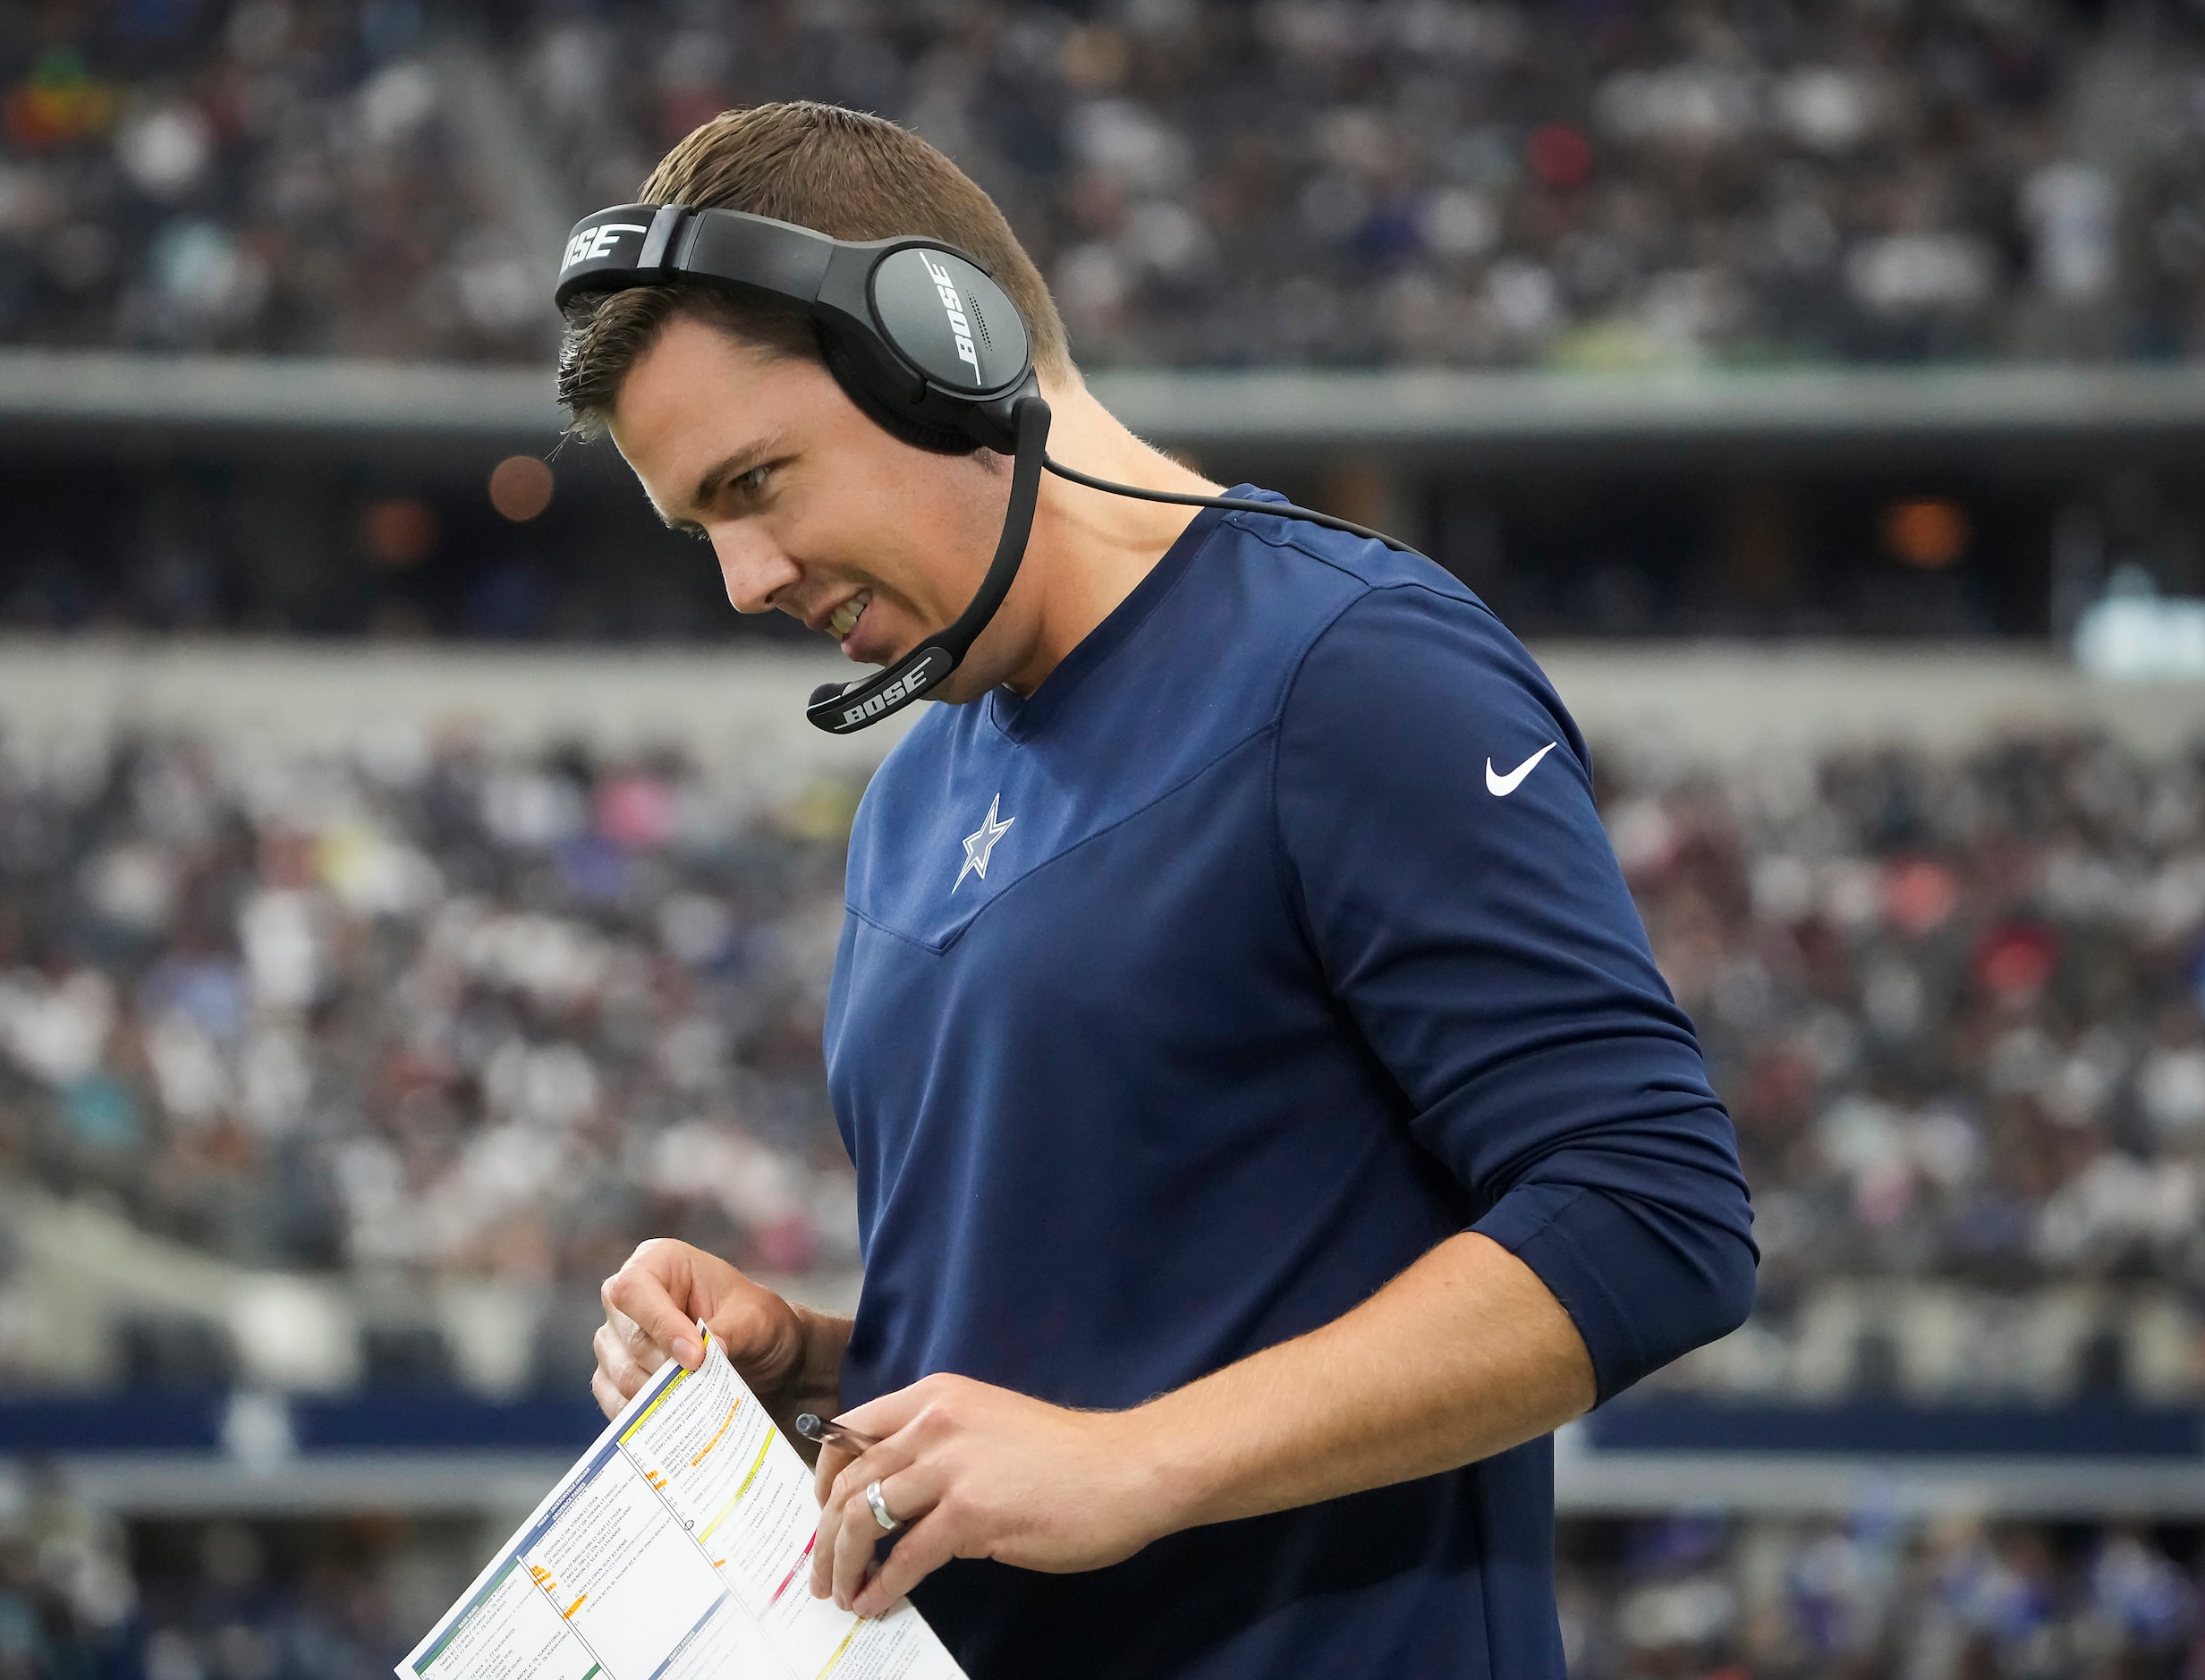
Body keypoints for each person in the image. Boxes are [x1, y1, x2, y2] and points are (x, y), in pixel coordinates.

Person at [573, 102, 1755, 1679]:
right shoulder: (915, 793)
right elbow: (1095, 1363)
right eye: (700, 528)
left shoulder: (1349, 668)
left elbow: (1651, 1210)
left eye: (758, 481)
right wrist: (812, 1369)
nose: (746, 581)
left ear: (942, 354)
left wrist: (1143, 1460)